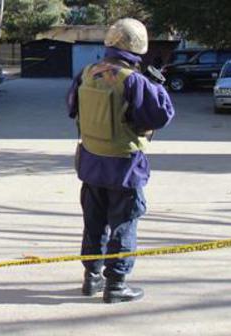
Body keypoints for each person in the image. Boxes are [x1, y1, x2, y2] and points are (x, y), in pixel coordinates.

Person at [66, 18, 175, 303]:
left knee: (93, 223)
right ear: (139, 46)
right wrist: (157, 85)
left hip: (90, 163)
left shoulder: (87, 73)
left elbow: (71, 108)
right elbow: (161, 115)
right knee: (124, 224)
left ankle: (91, 278)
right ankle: (116, 285)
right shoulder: (134, 80)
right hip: (123, 167)